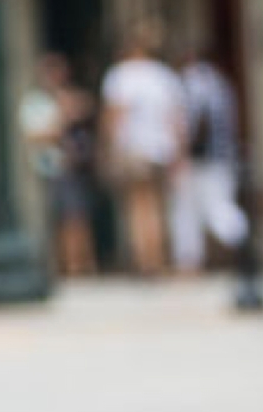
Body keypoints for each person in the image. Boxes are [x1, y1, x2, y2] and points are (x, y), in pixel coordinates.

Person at [99, 20, 188, 276]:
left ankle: (145, 260)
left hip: (134, 147)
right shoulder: (163, 76)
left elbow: (115, 116)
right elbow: (176, 119)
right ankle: (157, 257)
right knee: (157, 204)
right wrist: (179, 152)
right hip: (161, 148)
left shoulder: (121, 76)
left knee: (138, 205)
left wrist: (109, 147)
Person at [20, 51, 99, 278]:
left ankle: (84, 263)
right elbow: (35, 135)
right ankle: (67, 265)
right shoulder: (35, 102)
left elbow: (87, 110)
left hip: (74, 165)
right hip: (50, 168)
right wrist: (61, 120)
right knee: (61, 218)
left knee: (78, 216)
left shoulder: (68, 96)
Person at [171, 47, 249, 272]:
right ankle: (193, 260)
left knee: (204, 210)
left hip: (202, 159)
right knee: (205, 208)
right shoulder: (222, 84)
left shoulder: (195, 83)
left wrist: (181, 153)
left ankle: (239, 242)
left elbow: (192, 124)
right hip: (221, 156)